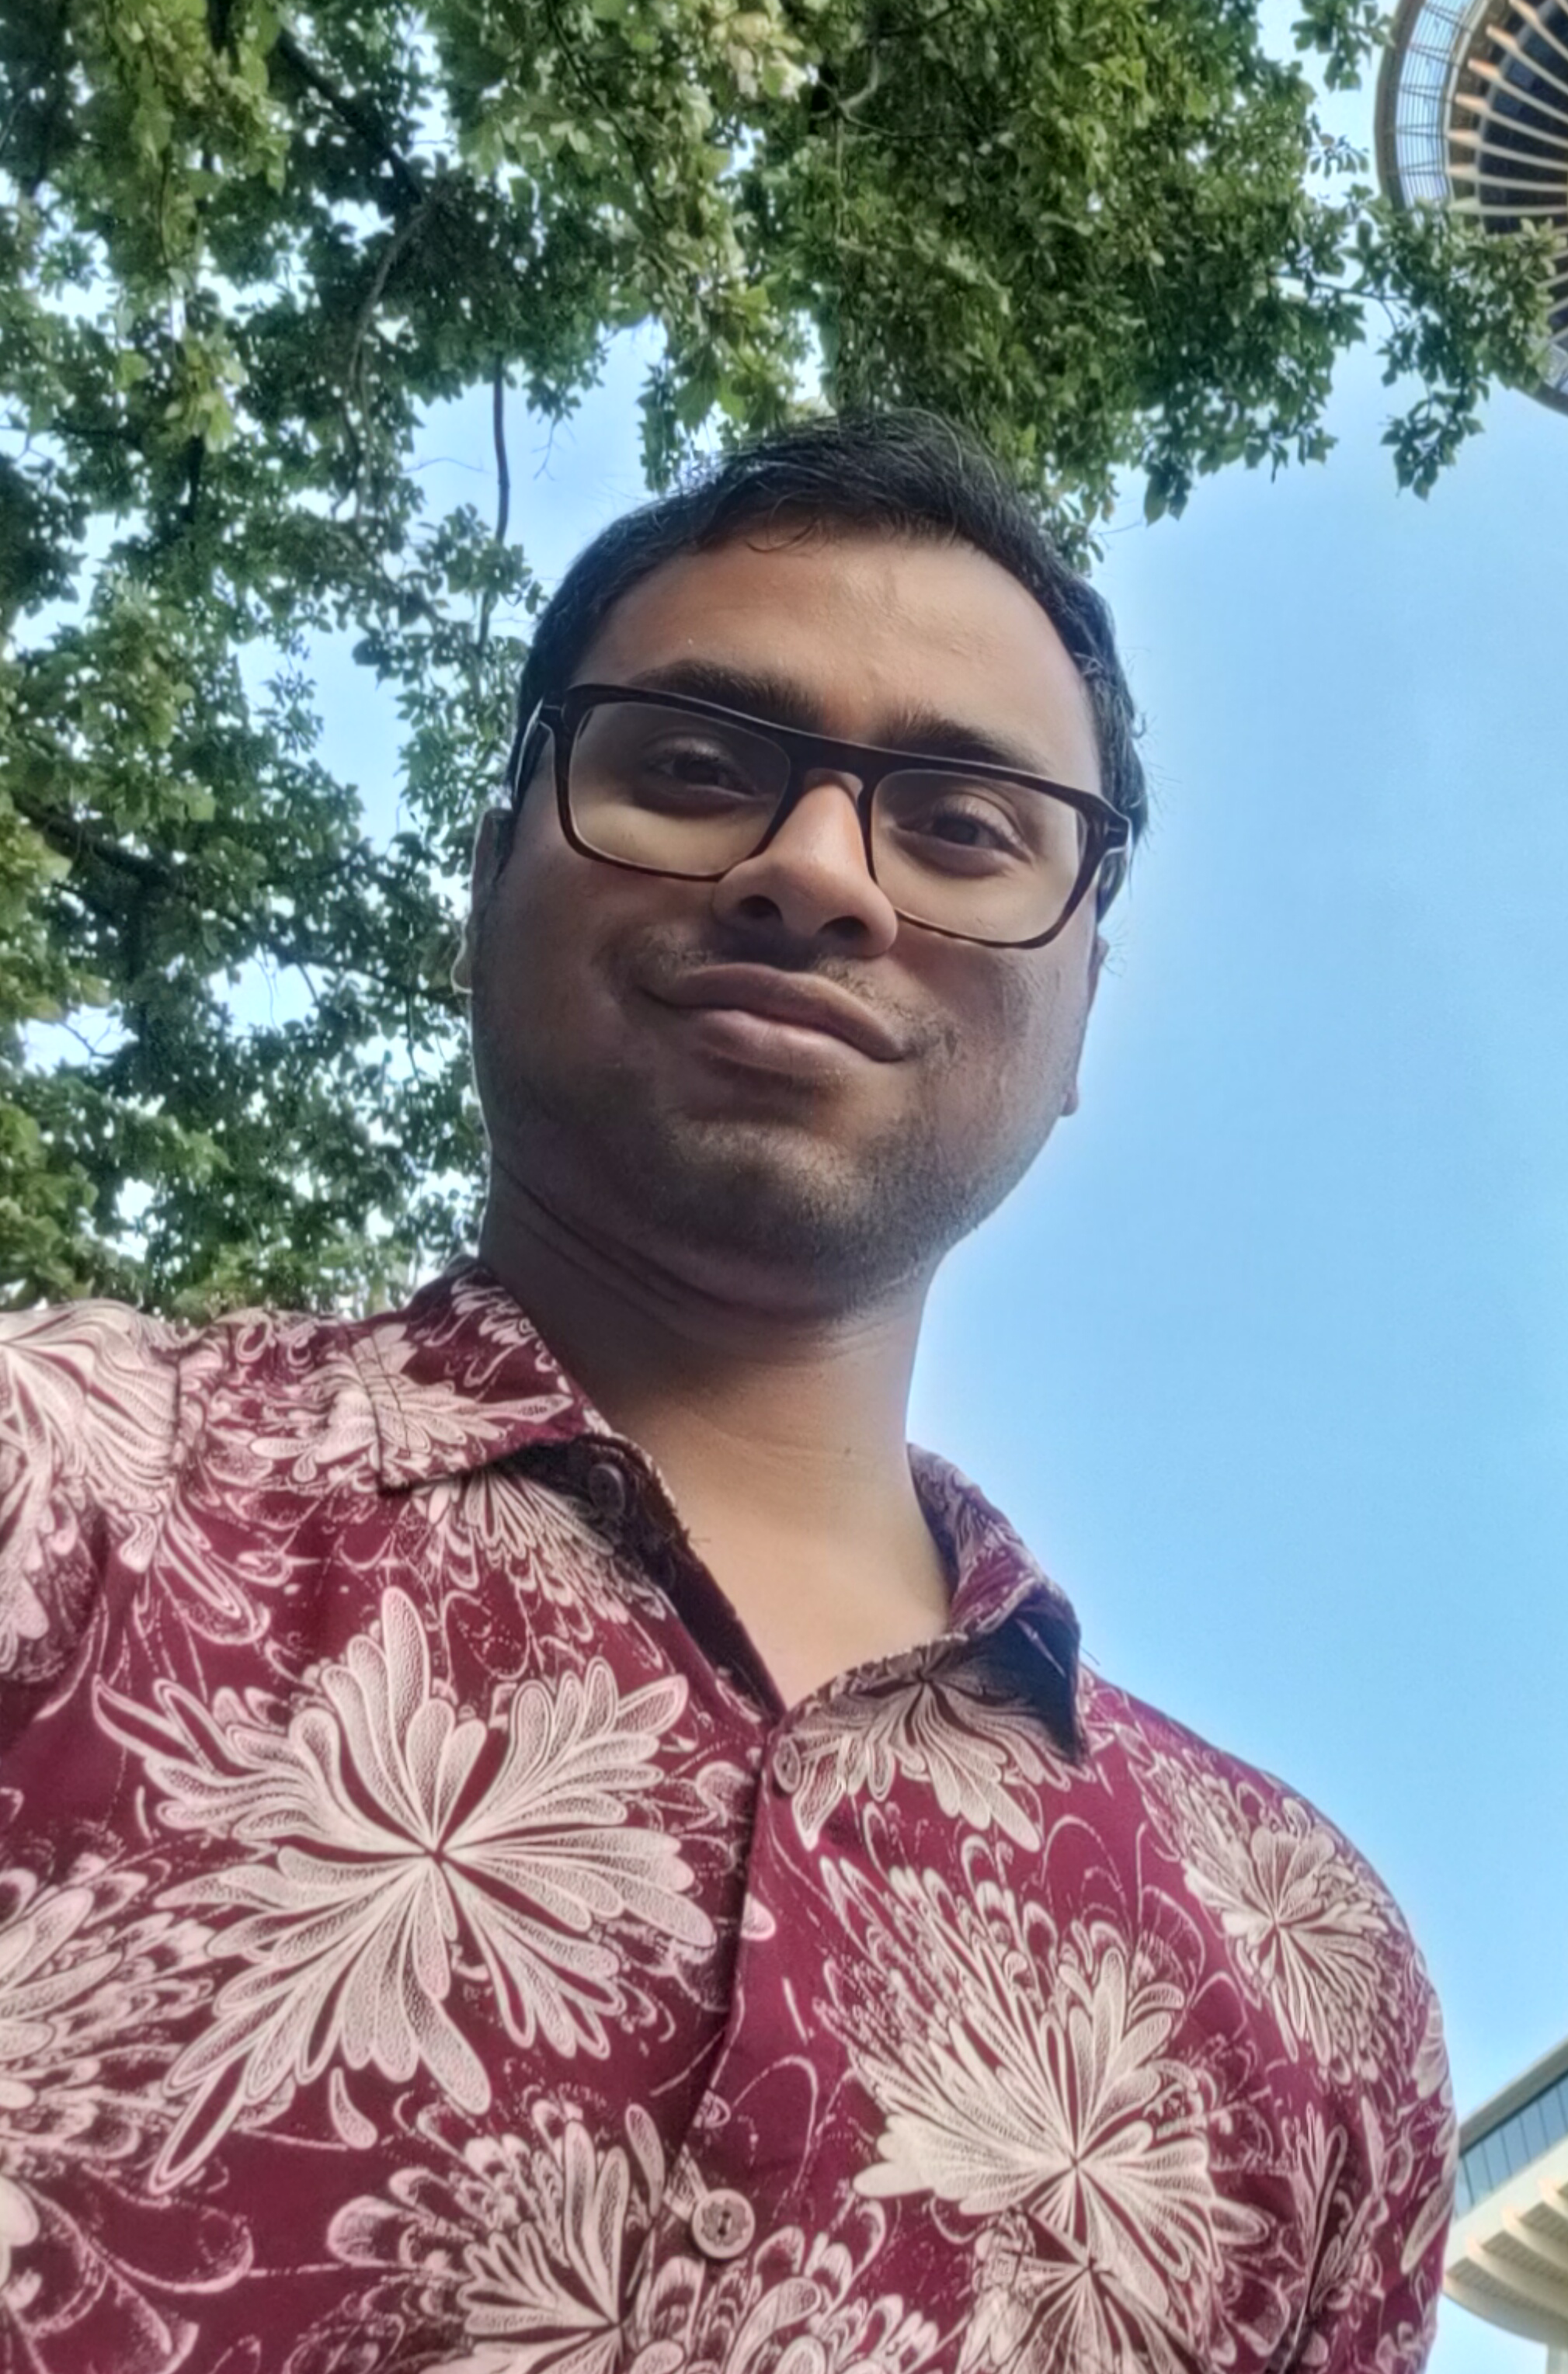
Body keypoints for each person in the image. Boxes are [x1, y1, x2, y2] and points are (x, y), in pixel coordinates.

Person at [0, 412, 1451, 2371]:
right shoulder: (71, 1498)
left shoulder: (1306, 1967)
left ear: (1085, 1006)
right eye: (694, 769)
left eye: (960, 823)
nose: (813, 872)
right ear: (481, 885)